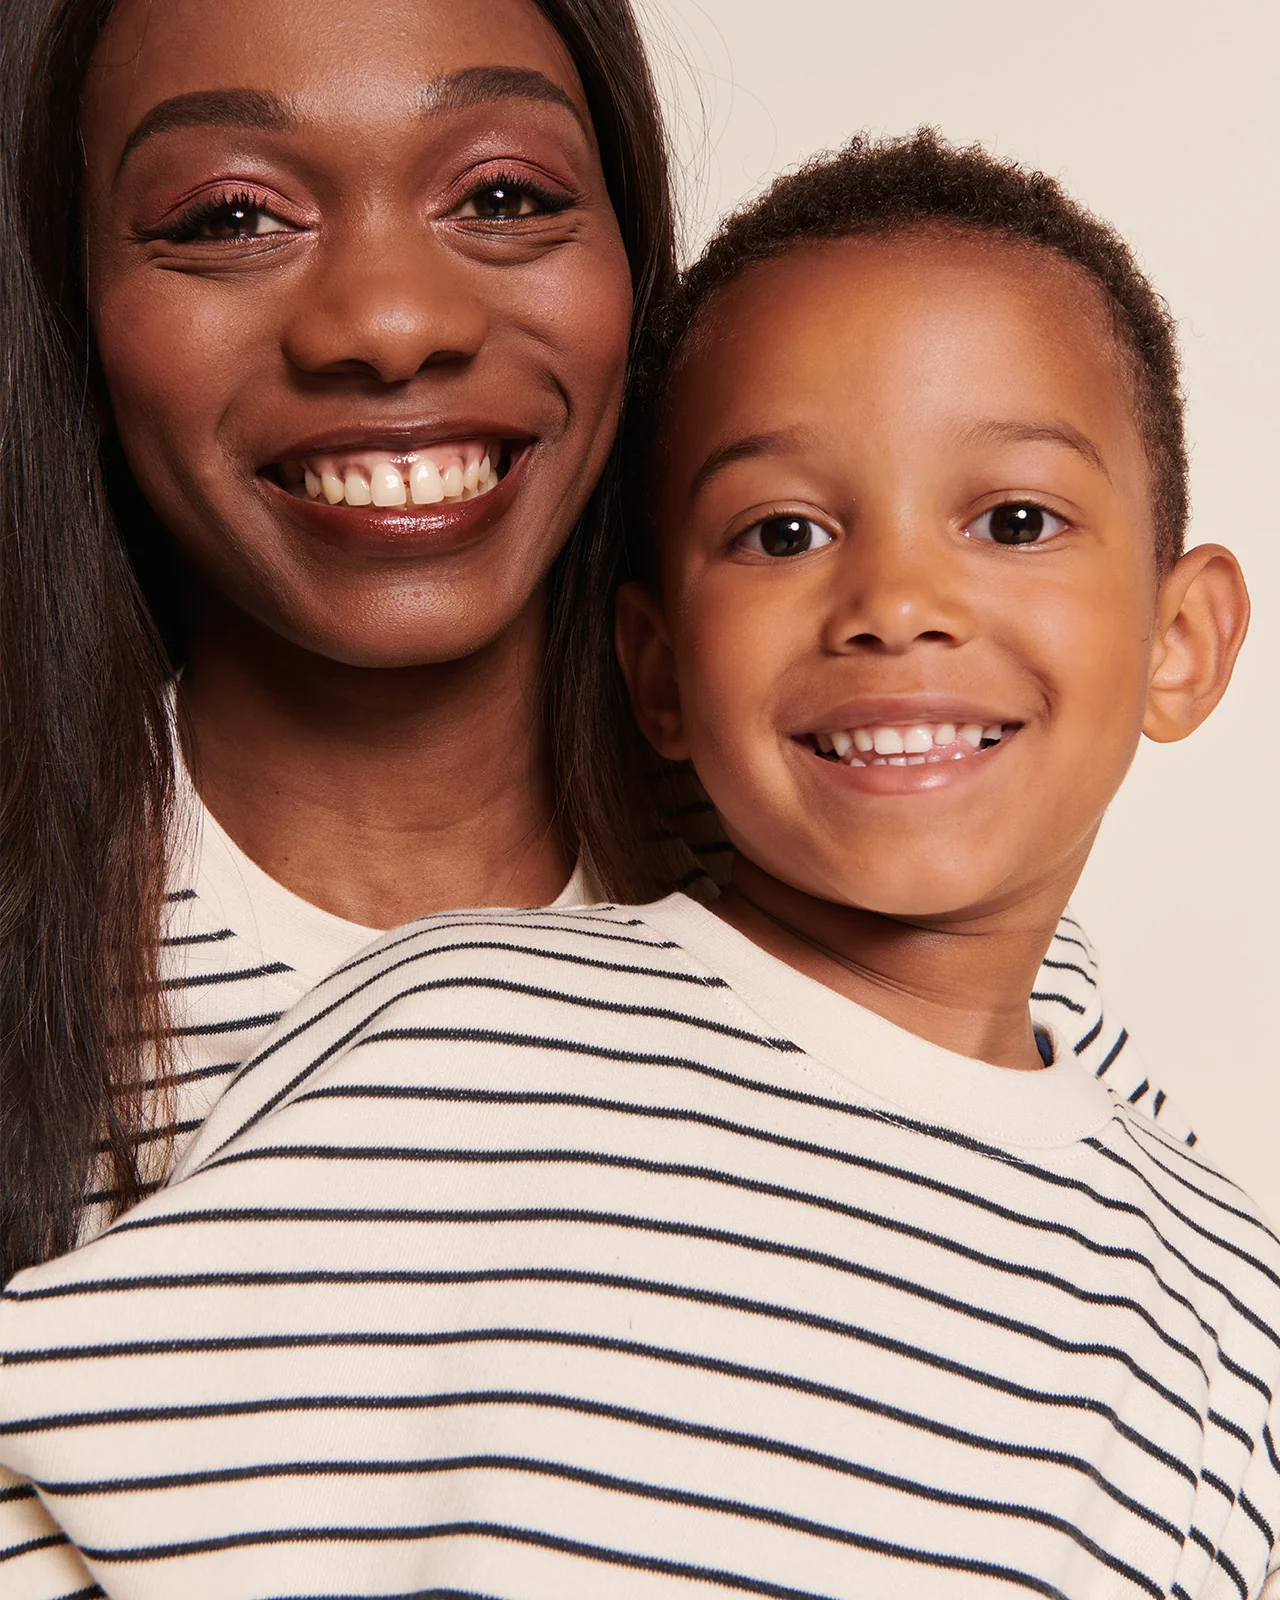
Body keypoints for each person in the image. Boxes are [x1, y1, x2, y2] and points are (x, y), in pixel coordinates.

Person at [1, 131, 1268, 1598]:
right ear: (658, 672)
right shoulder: (463, 1038)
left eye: (1015, 521)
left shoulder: (1224, 1311)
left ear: (1183, 643)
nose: (896, 602)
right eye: (783, 532)